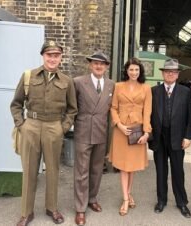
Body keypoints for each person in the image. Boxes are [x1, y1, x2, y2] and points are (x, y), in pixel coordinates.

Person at [10, 40, 78, 226]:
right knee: (30, 171)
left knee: (53, 171)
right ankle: (26, 212)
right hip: (30, 126)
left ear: (60, 57)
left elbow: (72, 109)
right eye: (49, 55)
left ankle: (52, 208)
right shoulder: (28, 76)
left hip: (54, 127)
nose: (52, 58)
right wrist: (21, 125)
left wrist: (62, 127)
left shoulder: (66, 81)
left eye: (56, 55)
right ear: (43, 56)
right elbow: (16, 104)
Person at [73, 52, 115, 226]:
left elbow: (112, 110)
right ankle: (80, 208)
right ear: (90, 65)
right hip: (83, 130)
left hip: (101, 131)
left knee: (97, 170)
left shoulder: (112, 85)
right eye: (96, 63)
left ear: (107, 67)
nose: (99, 66)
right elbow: (72, 106)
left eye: (102, 64)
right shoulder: (78, 82)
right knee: (82, 171)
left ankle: (92, 198)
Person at [148, 59, 191, 218]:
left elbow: (190, 116)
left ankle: (182, 202)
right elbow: (147, 114)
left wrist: (188, 136)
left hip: (177, 137)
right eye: (167, 71)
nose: (170, 74)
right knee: (160, 170)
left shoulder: (186, 92)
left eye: (173, 72)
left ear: (178, 74)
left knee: (177, 171)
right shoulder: (153, 91)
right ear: (162, 73)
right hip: (159, 138)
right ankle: (161, 200)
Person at [108, 57, 152, 216]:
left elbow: (147, 111)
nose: (134, 72)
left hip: (137, 131)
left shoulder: (146, 88)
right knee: (123, 167)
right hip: (121, 131)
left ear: (140, 72)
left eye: (137, 70)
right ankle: (126, 199)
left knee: (132, 167)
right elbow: (113, 108)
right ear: (126, 71)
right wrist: (119, 125)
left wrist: (147, 132)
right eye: (131, 69)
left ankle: (129, 192)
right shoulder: (118, 86)